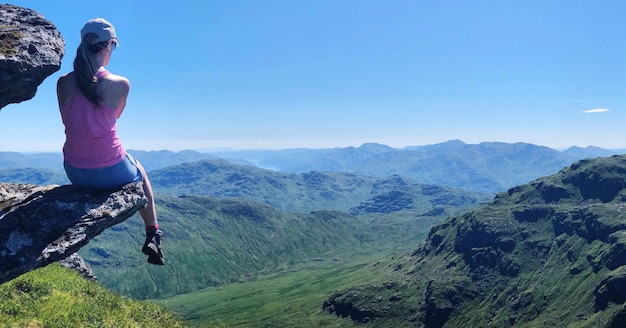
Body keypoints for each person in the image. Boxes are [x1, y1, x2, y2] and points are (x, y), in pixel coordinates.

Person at [57, 18, 164, 265]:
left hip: (75, 171)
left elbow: (69, 120)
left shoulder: (63, 82)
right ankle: (153, 231)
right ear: (109, 46)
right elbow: (113, 117)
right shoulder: (120, 84)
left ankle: (153, 232)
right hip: (113, 171)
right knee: (138, 166)